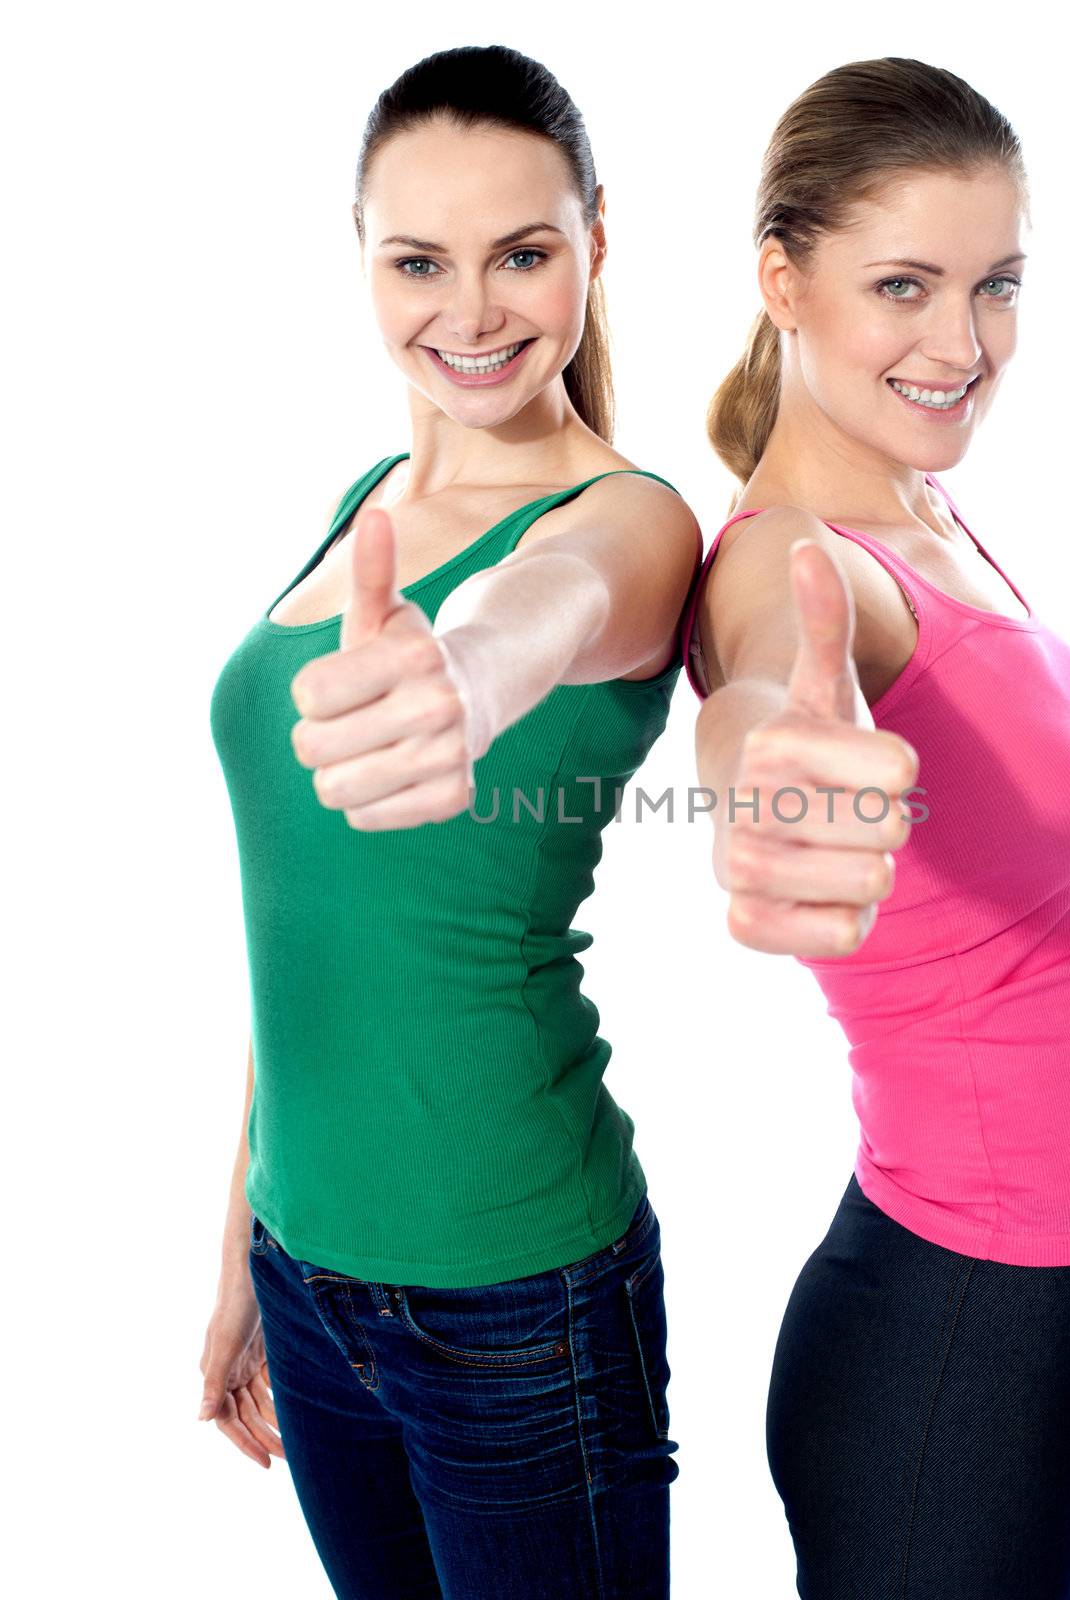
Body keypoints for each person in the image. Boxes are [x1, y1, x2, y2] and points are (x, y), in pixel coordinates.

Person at [200, 45, 700, 1600]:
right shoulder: (363, 506)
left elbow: (546, 611)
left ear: (595, 245)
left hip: (515, 1302)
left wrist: (473, 674)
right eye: (419, 260)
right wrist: (241, 1245)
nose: (470, 312)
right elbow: (311, 940)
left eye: (523, 254)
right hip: (307, 1274)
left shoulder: (627, 519)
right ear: (362, 260)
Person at [681, 57, 1070, 1599]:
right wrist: (770, 775)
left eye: (995, 287)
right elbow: (767, 686)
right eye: (904, 285)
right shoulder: (806, 569)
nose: (963, 344)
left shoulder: (927, 513)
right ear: (783, 276)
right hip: (950, 1348)